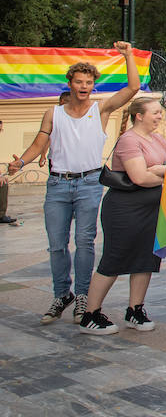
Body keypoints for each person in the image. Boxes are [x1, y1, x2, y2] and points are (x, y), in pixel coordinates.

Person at [9, 42, 142, 326]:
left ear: (93, 85)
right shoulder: (53, 114)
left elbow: (132, 88)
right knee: (57, 244)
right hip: (58, 184)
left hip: (89, 183)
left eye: (89, 82)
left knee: (84, 242)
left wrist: (129, 55)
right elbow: (39, 143)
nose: (84, 86)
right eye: (79, 82)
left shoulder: (101, 110)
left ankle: (82, 295)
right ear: (69, 83)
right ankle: (61, 293)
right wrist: (20, 162)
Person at [77, 98, 166, 335]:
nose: (160, 116)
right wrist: (165, 176)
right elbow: (139, 177)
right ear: (139, 116)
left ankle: (135, 309)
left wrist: (161, 172)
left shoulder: (157, 139)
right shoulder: (129, 140)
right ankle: (91, 313)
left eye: (160, 112)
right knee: (114, 259)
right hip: (125, 209)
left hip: (152, 209)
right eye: (155, 113)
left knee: (145, 259)